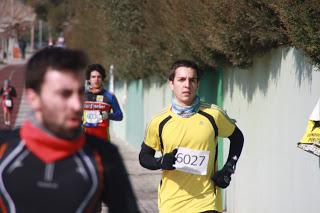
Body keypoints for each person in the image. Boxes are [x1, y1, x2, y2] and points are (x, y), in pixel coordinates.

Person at [0, 47, 139, 213]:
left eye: (80, 92)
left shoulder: (105, 156)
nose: (77, 105)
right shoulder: (4, 149)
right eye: (64, 94)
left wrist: (106, 116)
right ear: (33, 98)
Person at [139, 60, 244, 213]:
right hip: (171, 204)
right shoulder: (159, 121)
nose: (187, 84)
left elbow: (237, 138)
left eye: (192, 80)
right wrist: (160, 161)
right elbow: (144, 157)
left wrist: (228, 168)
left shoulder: (214, 115)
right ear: (171, 84)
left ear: (197, 84)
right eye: (181, 79)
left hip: (207, 202)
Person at [83, 63, 123, 141]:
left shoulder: (110, 96)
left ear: (102, 79)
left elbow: (120, 116)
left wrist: (108, 115)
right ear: (89, 79)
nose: (96, 80)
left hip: (103, 140)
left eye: (99, 77)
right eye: (93, 77)